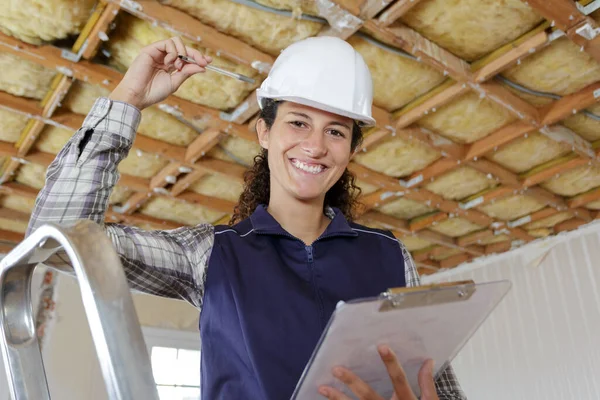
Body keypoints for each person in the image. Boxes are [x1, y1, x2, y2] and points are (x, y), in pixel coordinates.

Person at [27, 35, 466, 400]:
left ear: (351, 149)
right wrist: (129, 99)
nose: (315, 146)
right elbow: (57, 240)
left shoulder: (391, 257)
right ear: (264, 131)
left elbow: (439, 386)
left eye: (336, 131)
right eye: (298, 122)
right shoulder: (209, 253)